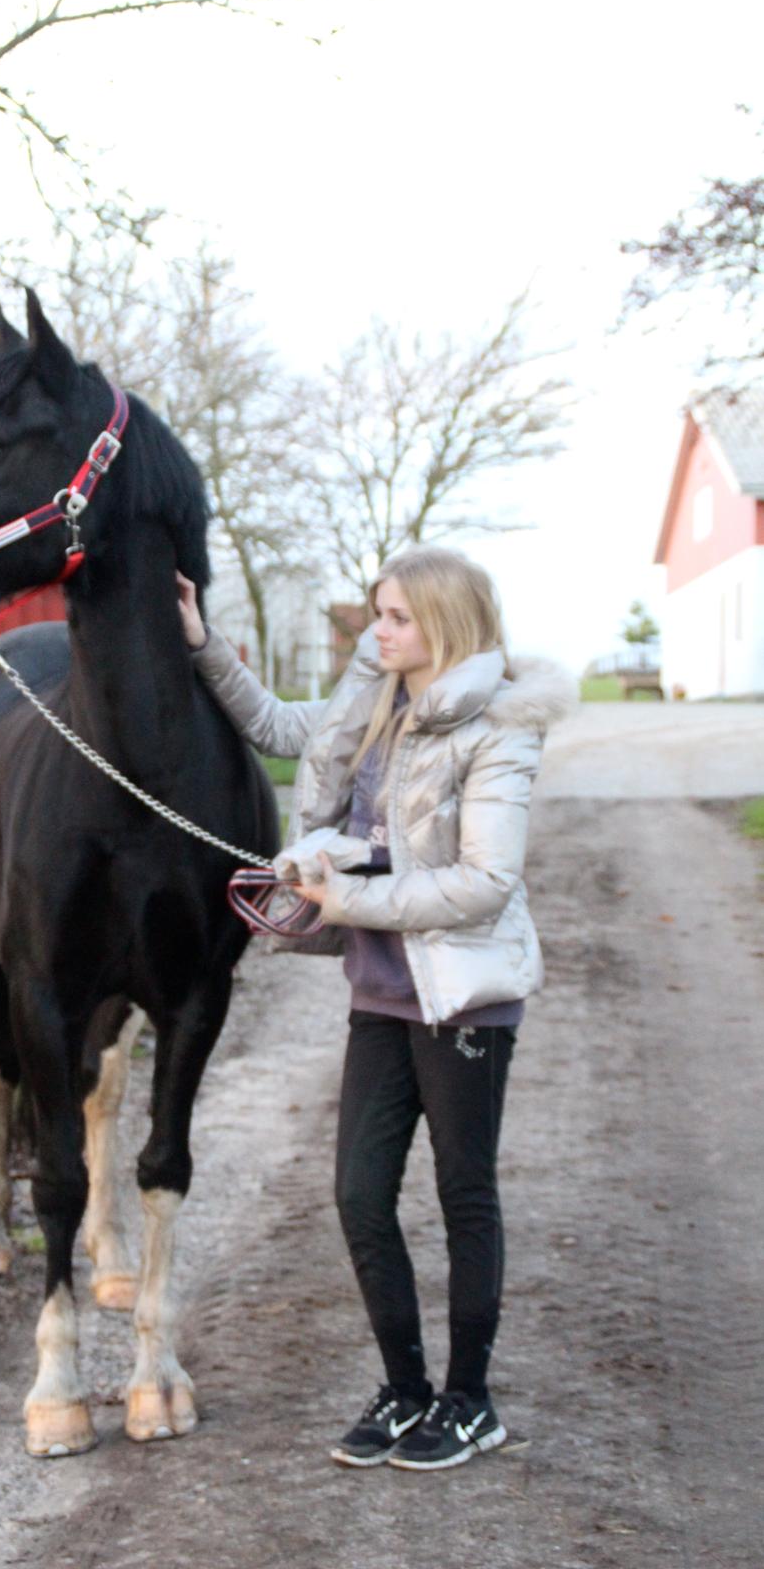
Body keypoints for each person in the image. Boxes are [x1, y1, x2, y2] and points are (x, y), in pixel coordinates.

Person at [177, 545, 576, 1472]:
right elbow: (277, 724)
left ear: (440, 620)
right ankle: (406, 1392)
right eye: (376, 615)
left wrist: (345, 899)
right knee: (359, 1194)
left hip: (462, 1000)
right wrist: (202, 644)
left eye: (393, 617)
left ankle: (469, 1402)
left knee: (462, 1194)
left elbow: (484, 882)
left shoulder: (499, 728)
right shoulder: (375, 712)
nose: (377, 632)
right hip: (380, 994)